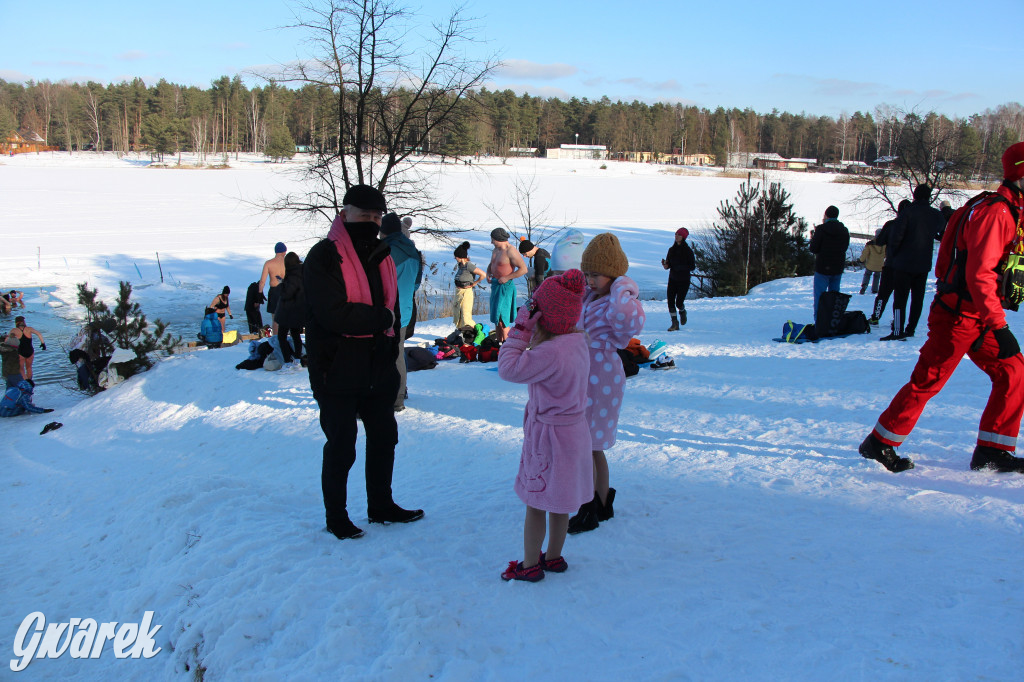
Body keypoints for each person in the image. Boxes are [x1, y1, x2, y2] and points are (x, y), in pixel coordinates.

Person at [859, 142, 1024, 474]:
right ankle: (879, 442)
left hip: (976, 315)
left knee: (1014, 372)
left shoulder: (1004, 208)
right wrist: (1000, 325)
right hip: (959, 316)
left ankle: (992, 450)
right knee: (928, 380)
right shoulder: (996, 213)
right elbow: (979, 275)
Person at [304, 184, 423, 540]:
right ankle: (336, 517)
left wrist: (390, 341)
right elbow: (333, 314)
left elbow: (393, 305)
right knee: (342, 445)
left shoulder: (382, 253)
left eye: (376, 216)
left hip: (377, 364)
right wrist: (383, 320)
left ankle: (381, 505)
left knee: (385, 437)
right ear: (345, 213)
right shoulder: (324, 255)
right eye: (363, 215)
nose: (370, 222)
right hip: (336, 366)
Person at [497, 269, 592, 582]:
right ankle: (553, 557)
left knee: (536, 503)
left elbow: (508, 369)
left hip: (550, 438)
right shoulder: (577, 342)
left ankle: (529, 565)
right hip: (574, 433)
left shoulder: (550, 352)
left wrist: (521, 329)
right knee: (559, 502)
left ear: (543, 317)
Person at [568, 233, 646, 534]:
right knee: (589, 445)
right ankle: (600, 502)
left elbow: (628, 325)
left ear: (613, 274)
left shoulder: (621, 302)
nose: (590, 280)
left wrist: (621, 290)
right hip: (584, 371)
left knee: (590, 443)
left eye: (596, 274)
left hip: (602, 375)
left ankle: (590, 506)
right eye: (587, 273)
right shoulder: (591, 297)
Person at [881, 184, 946, 340]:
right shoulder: (935, 214)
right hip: (923, 263)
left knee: (900, 299)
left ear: (915, 195)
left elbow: (896, 237)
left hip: (903, 263)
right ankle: (911, 329)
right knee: (917, 299)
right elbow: (942, 229)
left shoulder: (907, 213)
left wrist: (894, 255)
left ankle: (898, 330)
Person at [380, 212, 423, 412]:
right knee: (398, 353)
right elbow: (416, 284)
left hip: (386, 309)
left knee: (381, 353)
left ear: (383, 231)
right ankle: (399, 395)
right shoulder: (413, 251)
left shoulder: (385, 250)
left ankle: (388, 397)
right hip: (405, 309)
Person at [870, 200, 910, 325]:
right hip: (906, 267)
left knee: (883, 294)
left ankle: (875, 317)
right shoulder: (913, 227)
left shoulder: (891, 225)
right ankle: (898, 321)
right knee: (901, 296)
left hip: (891, 264)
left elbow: (879, 241)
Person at [486, 228, 527, 343]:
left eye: (493, 239)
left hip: (506, 287)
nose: (491, 242)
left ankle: (507, 344)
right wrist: (488, 273)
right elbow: (492, 263)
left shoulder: (511, 251)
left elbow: (523, 269)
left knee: (503, 319)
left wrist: (507, 277)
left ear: (499, 239)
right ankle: (499, 344)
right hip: (495, 285)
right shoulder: (495, 250)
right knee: (496, 319)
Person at [809, 205, 850, 318]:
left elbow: (813, 248)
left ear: (826, 215)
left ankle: (819, 321)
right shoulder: (844, 230)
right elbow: (845, 247)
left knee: (819, 296)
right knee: (835, 297)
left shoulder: (821, 229)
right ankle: (832, 321)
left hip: (822, 267)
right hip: (837, 267)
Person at [274, 253, 306, 364]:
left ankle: (287, 362)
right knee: (296, 335)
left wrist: (280, 285)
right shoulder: (302, 272)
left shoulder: (293, 275)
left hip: (288, 311)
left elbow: (287, 293)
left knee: (282, 337)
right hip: (298, 310)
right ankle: (297, 359)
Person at [662, 227, 696, 331]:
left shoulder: (688, 251)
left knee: (679, 302)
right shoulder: (671, 250)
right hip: (672, 279)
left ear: (683, 237)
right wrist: (666, 265)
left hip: (684, 280)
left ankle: (682, 311)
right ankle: (674, 323)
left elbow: (692, 266)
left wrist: (680, 267)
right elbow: (668, 264)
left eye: (679, 235)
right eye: (676, 234)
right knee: (670, 302)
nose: (676, 236)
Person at [452, 241, 486, 329]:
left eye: (456, 256)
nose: (455, 258)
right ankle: (461, 330)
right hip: (459, 292)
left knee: (465, 314)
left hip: (466, 292)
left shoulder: (469, 266)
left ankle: (472, 331)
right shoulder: (460, 265)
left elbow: (483, 274)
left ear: (460, 256)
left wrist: (474, 283)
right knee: (458, 313)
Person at [259, 242, 288, 336]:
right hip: (286, 290)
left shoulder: (269, 263)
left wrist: (260, 293)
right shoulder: (287, 262)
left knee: (275, 318)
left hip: (274, 291)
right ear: (284, 251)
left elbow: (262, 281)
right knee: (286, 315)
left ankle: (276, 337)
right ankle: (286, 337)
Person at [10, 316, 45, 383]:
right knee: (29, 367)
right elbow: (39, 334)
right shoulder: (29, 329)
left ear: (16, 322)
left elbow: (8, 339)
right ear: (23, 322)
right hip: (30, 351)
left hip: (20, 352)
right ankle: (29, 382)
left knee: (21, 369)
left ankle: (25, 382)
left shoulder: (14, 330)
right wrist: (43, 343)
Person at [859, 231, 885, 295]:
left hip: (870, 264)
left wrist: (861, 260)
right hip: (879, 265)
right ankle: (875, 289)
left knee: (867, 274)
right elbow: (886, 255)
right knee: (877, 276)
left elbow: (865, 253)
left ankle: (864, 285)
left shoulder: (870, 244)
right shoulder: (885, 244)